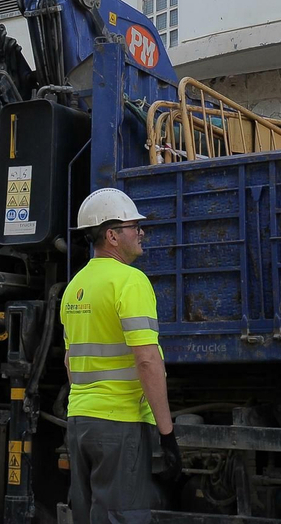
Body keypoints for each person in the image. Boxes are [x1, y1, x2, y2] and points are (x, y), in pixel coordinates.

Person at [61, 188, 180, 524]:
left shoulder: (75, 286)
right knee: (122, 517)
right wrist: (167, 433)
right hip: (120, 423)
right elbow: (147, 360)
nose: (141, 233)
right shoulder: (130, 281)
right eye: (134, 227)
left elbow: (71, 361)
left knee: (87, 516)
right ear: (112, 235)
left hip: (80, 422)